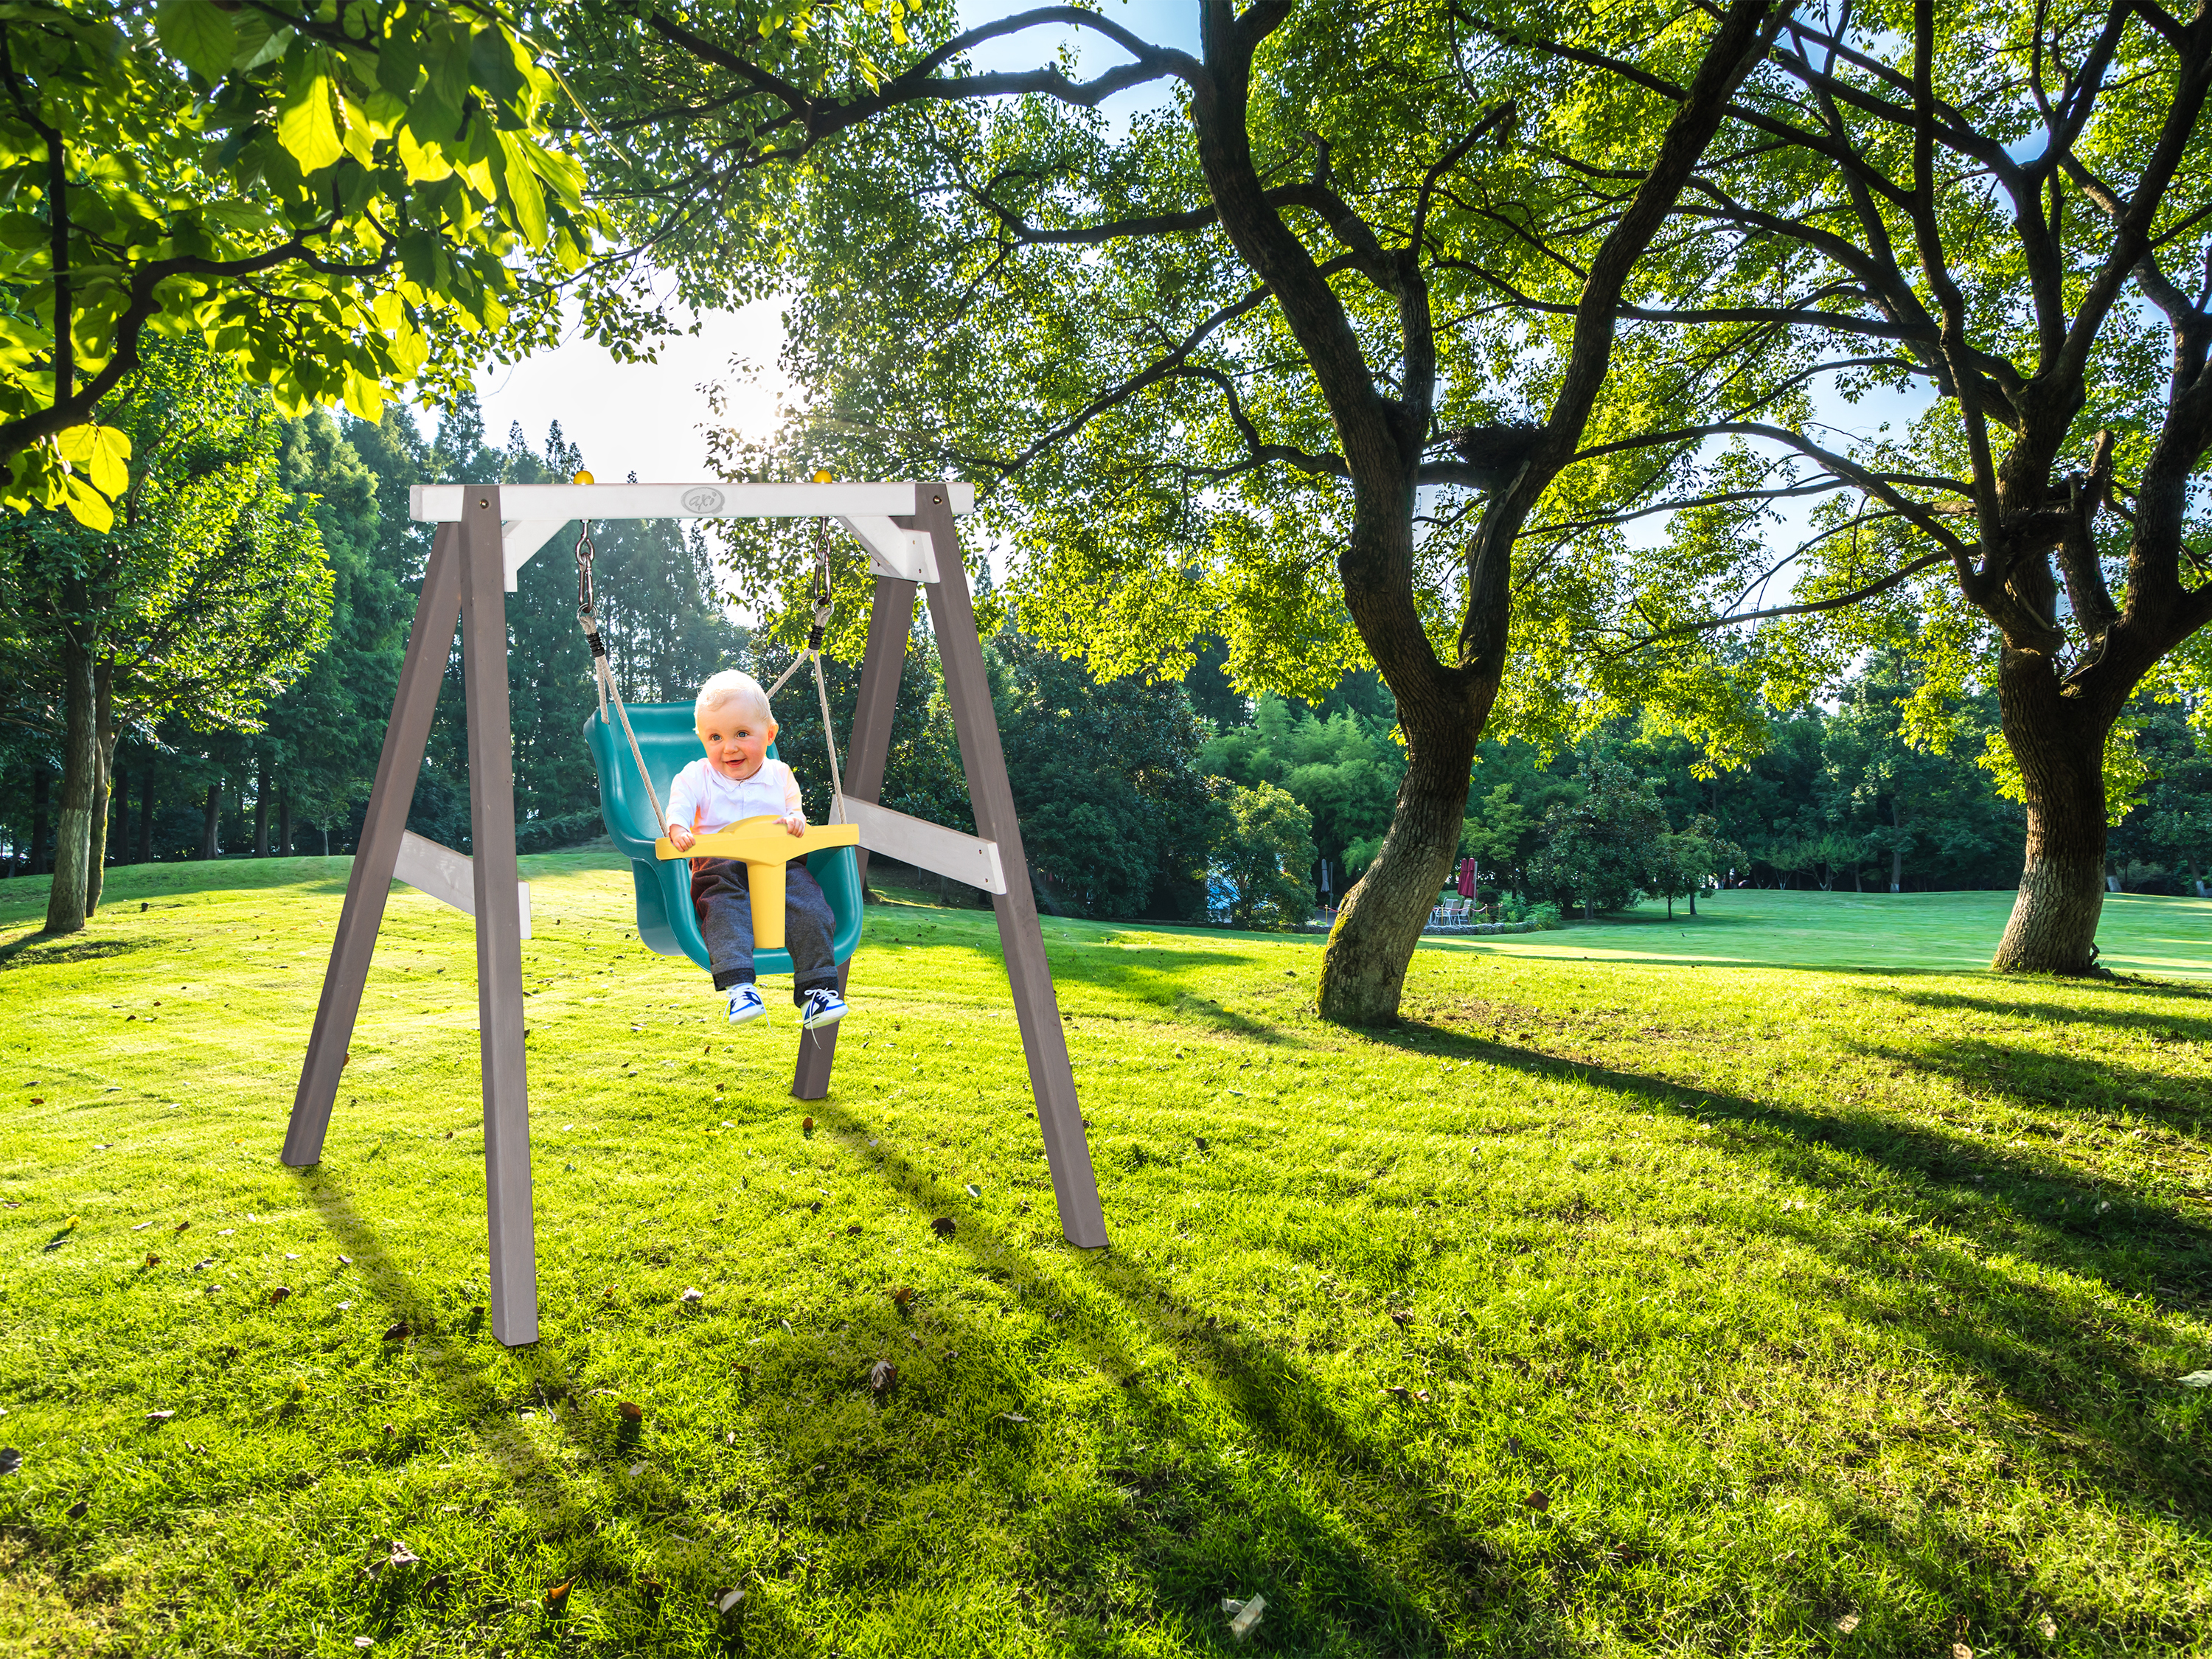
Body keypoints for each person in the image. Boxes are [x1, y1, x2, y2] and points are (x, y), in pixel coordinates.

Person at [664, 669, 847, 1029]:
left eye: (742, 734)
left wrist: (796, 820)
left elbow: (794, 810)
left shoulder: (780, 774)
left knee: (811, 906)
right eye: (715, 737)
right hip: (720, 866)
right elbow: (680, 805)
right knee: (722, 909)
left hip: (781, 864)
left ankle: (817, 993)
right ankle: (740, 987)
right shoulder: (696, 775)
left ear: (770, 735)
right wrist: (678, 827)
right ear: (702, 740)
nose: (729, 747)